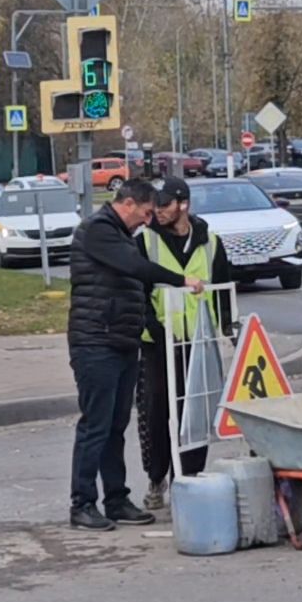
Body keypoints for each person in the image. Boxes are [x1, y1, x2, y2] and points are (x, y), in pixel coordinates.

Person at [65, 180, 206, 532]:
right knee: (95, 426)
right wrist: (181, 280)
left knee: (116, 426)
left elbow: (133, 283)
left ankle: (116, 499)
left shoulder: (120, 234)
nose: (147, 221)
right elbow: (136, 268)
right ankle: (82, 503)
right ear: (128, 204)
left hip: (121, 340)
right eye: (145, 213)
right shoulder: (97, 231)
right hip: (96, 340)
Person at [135, 176, 235, 510]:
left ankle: (190, 479)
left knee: (196, 411)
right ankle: (156, 477)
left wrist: (231, 331)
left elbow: (222, 291)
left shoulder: (211, 243)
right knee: (157, 411)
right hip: (158, 342)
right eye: (156, 204)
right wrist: (150, 324)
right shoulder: (145, 241)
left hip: (198, 341)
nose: (158, 211)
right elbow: (137, 290)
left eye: (164, 204)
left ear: (184, 205)